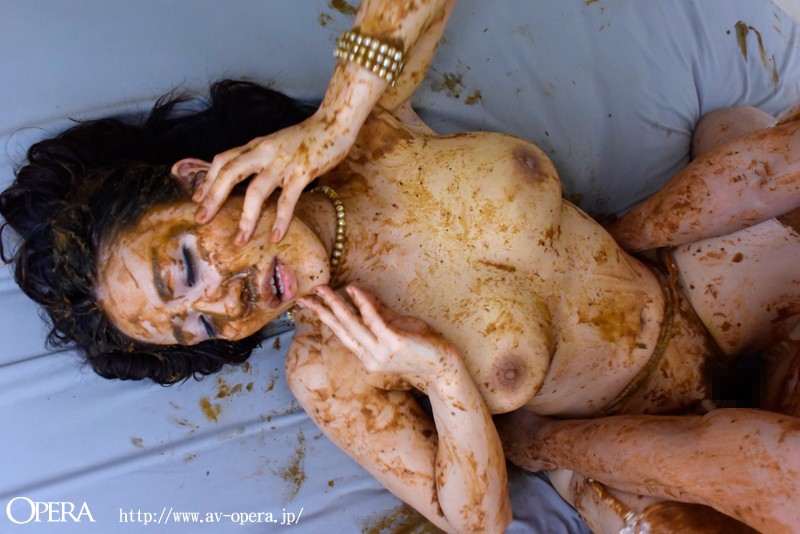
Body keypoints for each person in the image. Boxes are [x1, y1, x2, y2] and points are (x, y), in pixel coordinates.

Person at [2, 2, 799, 533]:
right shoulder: (329, 370)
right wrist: (442, 375)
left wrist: (332, 120)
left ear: (196, 178)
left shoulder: (371, 133)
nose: (226, 302)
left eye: (182, 268)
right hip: (622, 451)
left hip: (690, 283)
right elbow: (474, 520)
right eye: (199, 326)